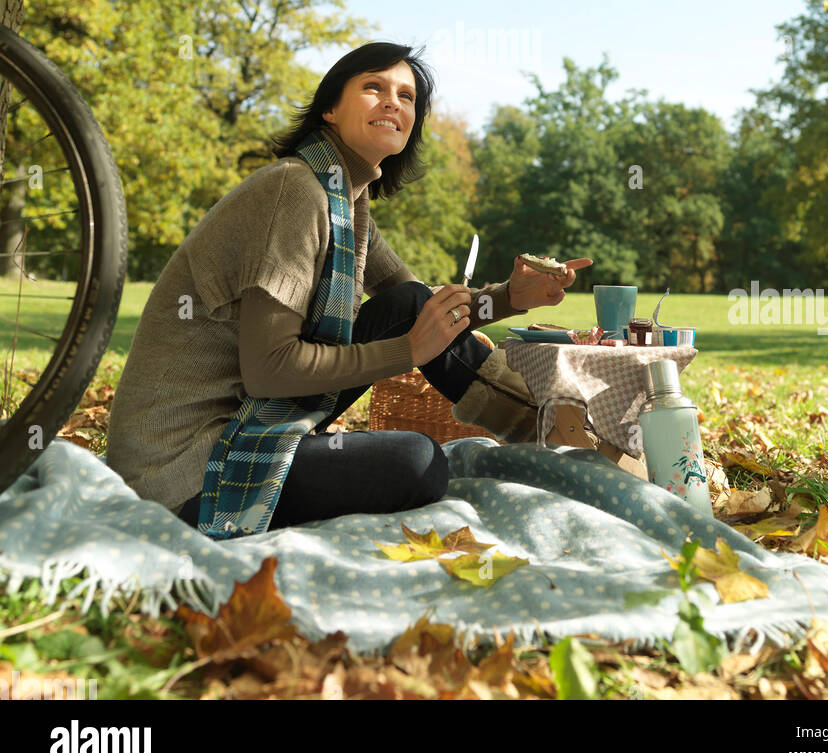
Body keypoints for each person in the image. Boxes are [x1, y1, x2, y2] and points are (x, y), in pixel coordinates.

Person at [104, 41, 591, 538]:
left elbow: (420, 306)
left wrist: (511, 297)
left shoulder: (347, 203)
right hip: (185, 470)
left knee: (407, 304)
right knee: (419, 462)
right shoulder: (293, 191)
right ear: (330, 109)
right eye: (373, 87)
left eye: (407, 96)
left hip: (250, 422)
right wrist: (407, 351)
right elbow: (269, 371)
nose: (393, 102)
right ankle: (549, 431)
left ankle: (544, 429)